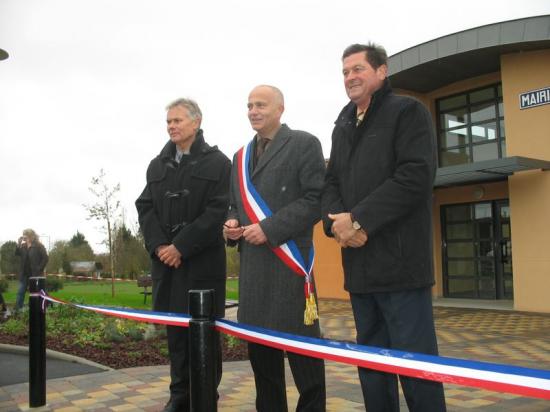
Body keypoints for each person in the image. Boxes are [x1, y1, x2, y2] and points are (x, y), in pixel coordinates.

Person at [321, 43, 447, 411]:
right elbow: (330, 184)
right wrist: (337, 226)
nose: (350, 77)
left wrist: (358, 218)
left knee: (416, 369)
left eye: (358, 69)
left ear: (381, 71)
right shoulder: (342, 124)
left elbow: (414, 177)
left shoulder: (407, 112)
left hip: (402, 269)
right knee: (372, 368)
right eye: (345, 71)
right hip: (359, 270)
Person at [224, 85, 326, 411]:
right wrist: (230, 224)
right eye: (250, 105)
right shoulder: (239, 158)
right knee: (264, 369)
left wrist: (268, 229)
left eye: (261, 105)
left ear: (280, 108)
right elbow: (234, 205)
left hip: (289, 269)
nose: (253, 111)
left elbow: (314, 200)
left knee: (305, 363)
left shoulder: (304, 144)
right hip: (254, 273)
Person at [136, 98, 231, 412]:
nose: (172, 126)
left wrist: (182, 246)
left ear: (196, 122)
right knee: (175, 335)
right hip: (167, 268)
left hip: (201, 266)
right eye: (168, 122)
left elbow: (218, 210)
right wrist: (161, 246)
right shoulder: (156, 165)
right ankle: (179, 396)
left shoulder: (219, 163)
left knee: (203, 337)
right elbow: (145, 207)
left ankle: (205, 397)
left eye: (177, 120)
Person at [14, 229, 48, 311]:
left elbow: (45, 258)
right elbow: (16, 253)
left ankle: (41, 307)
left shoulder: (39, 246)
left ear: (32, 236)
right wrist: (18, 243)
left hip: (35, 274)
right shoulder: (23, 246)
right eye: (24, 235)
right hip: (24, 274)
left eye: (27, 235)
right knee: (20, 292)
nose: (25, 237)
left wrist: (39, 268)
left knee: (36, 292)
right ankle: (18, 310)